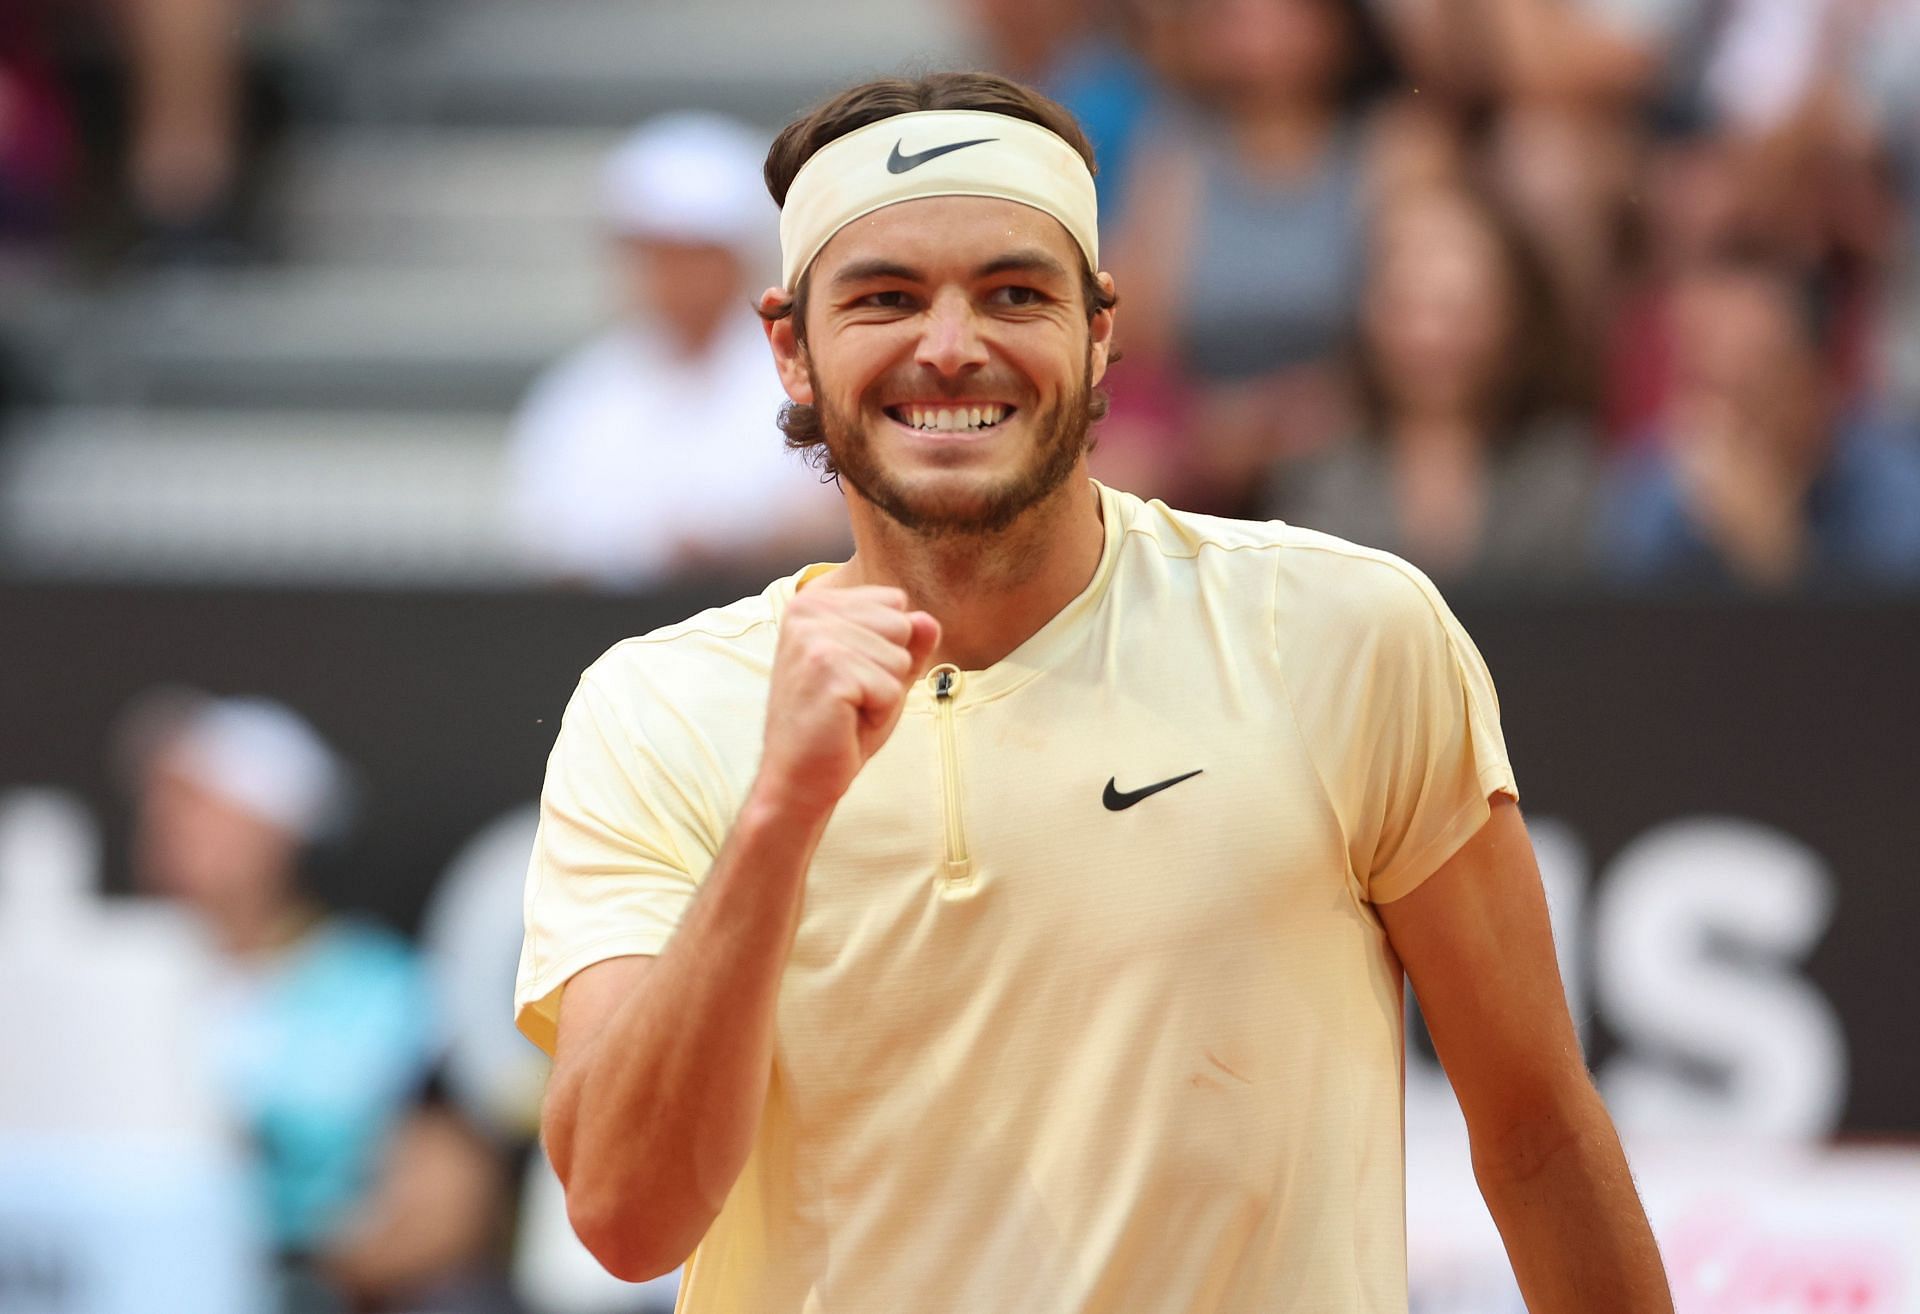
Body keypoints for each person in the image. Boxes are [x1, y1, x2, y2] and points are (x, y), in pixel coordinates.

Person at [514, 71, 1672, 1312]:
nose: (951, 346)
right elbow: (629, 1220)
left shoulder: (1347, 633)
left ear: (1100, 327)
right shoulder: (657, 707)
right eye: (885, 297)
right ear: (791, 347)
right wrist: (779, 814)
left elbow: (1540, 1137)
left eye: (1013, 292)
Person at [123, 689, 439, 1313]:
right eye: (161, 803)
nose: (168, 824)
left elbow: (436, 1182)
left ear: (277, 828)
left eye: (200, 803)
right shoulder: (108, 976)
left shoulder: (382, 988)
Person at [505, 111, 846, 589]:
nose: (674, 276)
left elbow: (833, 515)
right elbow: (550, 541)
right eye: (655, 254)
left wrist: (733, 548)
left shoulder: (806, 372)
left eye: (696, 254)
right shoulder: (581, 392)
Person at [1265, 181, 1598, 585]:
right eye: (1408, 306)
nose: (1431, 337)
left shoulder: (1561, 473)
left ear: (1515, 314)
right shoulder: (1320, 473)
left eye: (1458, 308)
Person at [1597, 256, 1920, 590]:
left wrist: (1771, 551)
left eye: (1749, 388)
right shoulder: (1654, 485)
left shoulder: (1898, 493)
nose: (1724, 419)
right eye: (1706, 384)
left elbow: (1883, 638)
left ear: (1819, 386)